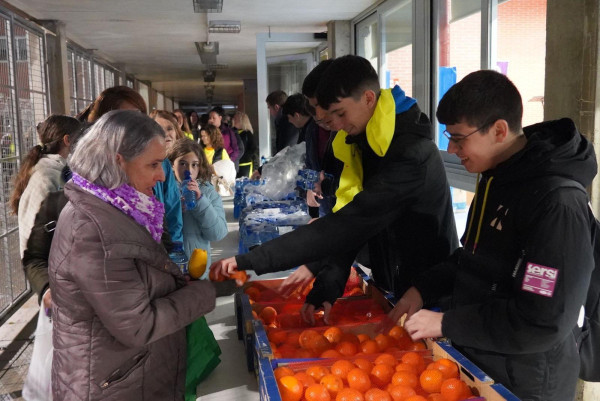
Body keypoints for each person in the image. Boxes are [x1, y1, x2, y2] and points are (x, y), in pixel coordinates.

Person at [388, 70, 597, 401]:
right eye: (448, 137)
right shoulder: (495, 179)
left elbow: (542, 319)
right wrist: (422, 288)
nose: (452, 149)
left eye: (459, 138)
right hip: (484, 359)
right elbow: (474, 255)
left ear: (499, 130)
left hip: (529, 378)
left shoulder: (557, 204)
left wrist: (447, 325)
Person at [211, 55, 458, 322]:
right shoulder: (369, 141)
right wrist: (326, 289)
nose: (336, 126)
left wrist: (253, 260)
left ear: (367, 98)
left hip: (429, 289)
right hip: (395, 280)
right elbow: (355, 224)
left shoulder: (408, 153)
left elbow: (352, 223)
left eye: (339, 114)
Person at [49, 110, 216, 400]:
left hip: (126, 374)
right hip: (111, 383)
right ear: (118, 161)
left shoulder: (122, 208)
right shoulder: (92, 230)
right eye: (153, 164)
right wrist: (205, 293)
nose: (162, 175)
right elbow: (139, 325)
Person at [10, 115, 82, 306]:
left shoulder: (52, 171)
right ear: (68, 140)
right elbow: (39, 239)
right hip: (53, 281)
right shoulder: (49, 176)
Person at [167, 138, 228, 271]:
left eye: (194, 164)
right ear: (172, 164)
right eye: (182, 163)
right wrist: (174, 210)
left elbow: (218, 233)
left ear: (200, 166)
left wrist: (200, 202)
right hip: (170, 264)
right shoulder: (165, 191)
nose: (188, 169)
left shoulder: (208, 193)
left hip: (198, 267)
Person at [232, 111, 259, 178]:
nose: (234, 120)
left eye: (236, 119)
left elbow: (253, 148)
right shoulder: (232, 132)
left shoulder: (247, 134)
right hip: (234, 164)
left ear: (242, 121)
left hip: (245, 164)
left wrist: (245, 156)